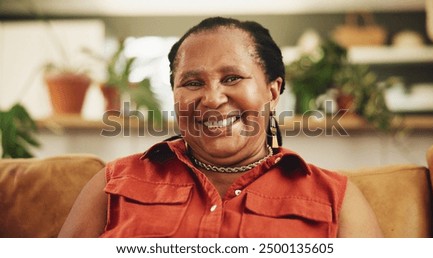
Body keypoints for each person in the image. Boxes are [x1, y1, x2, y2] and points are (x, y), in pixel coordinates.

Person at [58, 17, 383, 238]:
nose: (212, 98)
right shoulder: (112, 185)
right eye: (193, 82)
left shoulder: (337, 198)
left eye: (232, 78)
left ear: (273, 91)